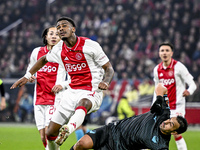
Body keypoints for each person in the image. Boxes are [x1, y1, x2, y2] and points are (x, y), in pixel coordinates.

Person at [10, 16, 114, 149]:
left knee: (84, 103)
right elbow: (43, 59)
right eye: (58, 27)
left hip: (91, 89)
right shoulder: (59, 49)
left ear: (73, 29)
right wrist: (27, 75)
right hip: (71, 92)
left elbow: (109, 68)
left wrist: (106, 81)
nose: (60, 29)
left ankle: (68, 129)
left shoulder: (90, 45)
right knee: (50, 133)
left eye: (64, 26)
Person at [70, 83, 188, 150]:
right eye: (169, 120)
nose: (166, 122)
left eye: (170, 125)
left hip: (120, 148)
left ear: (173, 132)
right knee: (81, 144)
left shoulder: (161, 145)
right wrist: (159, 98)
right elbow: (161, 87)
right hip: (112, 130)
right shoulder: (163, 114)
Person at [24, 26, 66, 150]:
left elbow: (73, 76)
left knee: (49, 133)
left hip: (55, 99)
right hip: (39, 99)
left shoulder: (64, 54)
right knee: (43, 137)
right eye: (51, 34)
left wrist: (62, 85)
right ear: (46, 37)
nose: (54, 36)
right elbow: (30, 69)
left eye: (57, 34)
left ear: (61, 38)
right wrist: (30, 77)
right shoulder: (36, 52)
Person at [152, 42, 197, 150]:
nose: (164, 53)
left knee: (175, 133)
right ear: (159, 53)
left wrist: (189, 91)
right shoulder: (156, 70)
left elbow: (192, 84)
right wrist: (154, 105)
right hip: (164, 107)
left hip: (177, 106)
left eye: (167, 50)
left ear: (171, 53)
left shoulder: (179, 67)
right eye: (162, 50)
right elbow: (156, 89)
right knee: (157, 132)